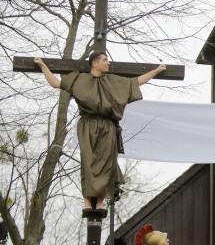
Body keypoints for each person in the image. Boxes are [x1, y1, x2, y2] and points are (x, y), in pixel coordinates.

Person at [34, 53, 166, 210]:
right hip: (87, 125)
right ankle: (87, 201)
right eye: (105, 60)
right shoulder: (79, 80)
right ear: (94, 63)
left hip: (107, 126)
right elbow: (56, 83)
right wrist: (43, 65)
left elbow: (136, 82)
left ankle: (101, 201)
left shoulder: (113, 81)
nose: (108, 63)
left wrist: (156, 71)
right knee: (88, 161)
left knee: (106, 162)